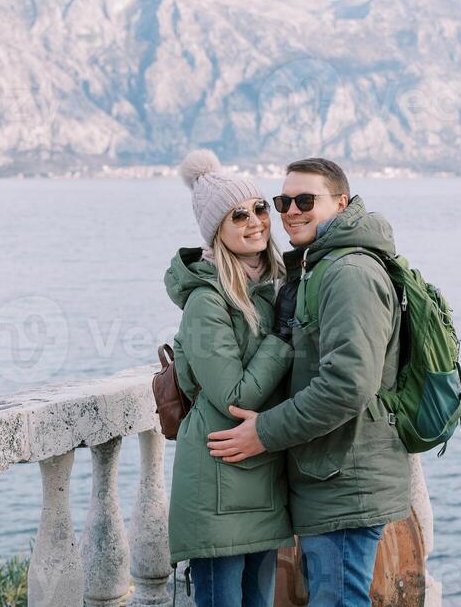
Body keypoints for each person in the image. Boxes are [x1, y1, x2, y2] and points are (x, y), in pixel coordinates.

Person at [207, 157, 411, 607]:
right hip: (331, 472)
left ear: (341, 203)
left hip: (345, 478)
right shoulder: (320, 266)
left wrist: (264, 432)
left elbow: (348, 385)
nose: (290, 211)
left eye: (305, 200)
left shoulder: (348, 273)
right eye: (282, 201)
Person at [165, 149, 295, 607]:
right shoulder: (207, 301)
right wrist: (281, 335)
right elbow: (234, 395)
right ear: (215, 230)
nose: (256, 220)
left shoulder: (278, 284)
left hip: (262, 473)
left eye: (261, 207)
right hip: (219, 483)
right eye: (238, 214)